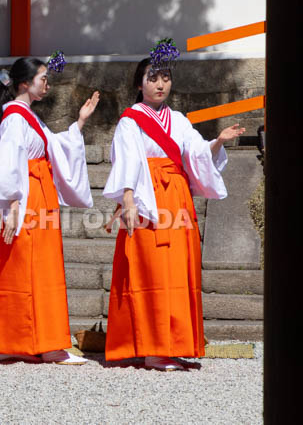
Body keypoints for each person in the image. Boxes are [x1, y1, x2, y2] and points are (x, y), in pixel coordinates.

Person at [103, 44, 243, 371]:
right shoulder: (130, 120)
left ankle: (172, 343)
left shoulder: (178, 120)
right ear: (139, 84)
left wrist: (218, 141)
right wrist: (127, 200)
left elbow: (195, 153)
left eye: (165, 78)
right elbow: (126, 160)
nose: (160, 84)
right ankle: (152, 348)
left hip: (176, 197)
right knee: (150, 269)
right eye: (153, 78)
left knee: (178, 269)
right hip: (146, 196)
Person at [0, 54, 99, 365]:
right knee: (30, 266)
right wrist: (11, 204)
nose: (47, 84)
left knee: (35, 267)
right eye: (43, 78)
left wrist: (80, 122)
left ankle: (23, 342)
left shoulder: (27, 116)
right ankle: (36, 343)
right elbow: (8, 161)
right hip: (28, 197)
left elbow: (55, 147)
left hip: (37, 193)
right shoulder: (15, 117)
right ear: (25, 83)